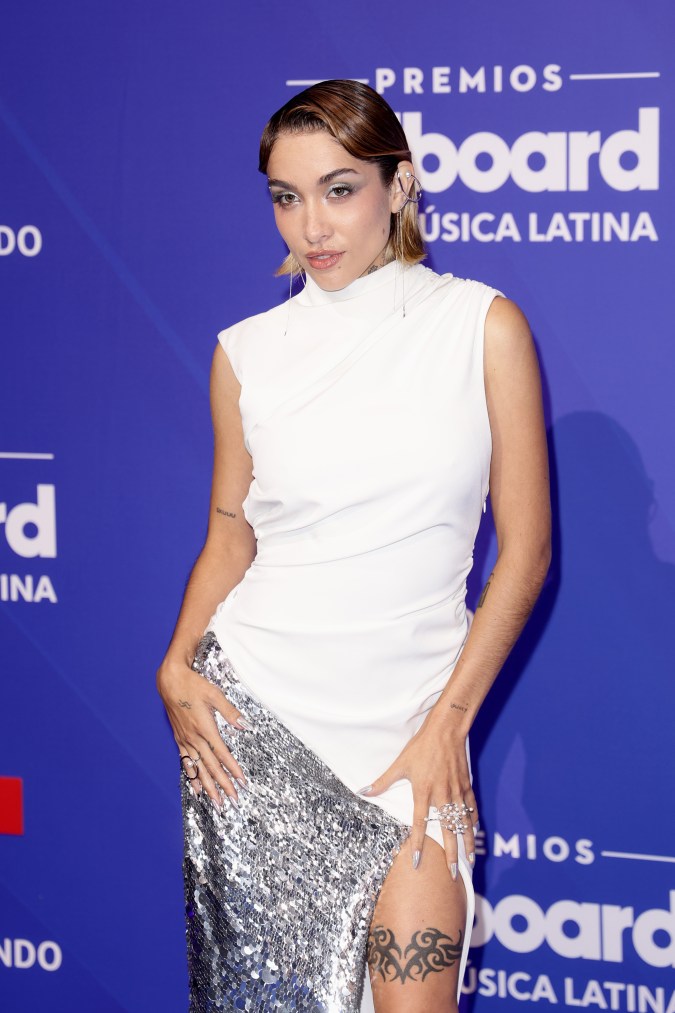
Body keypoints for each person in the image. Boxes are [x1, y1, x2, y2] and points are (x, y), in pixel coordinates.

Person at [156, 79, 551, 1013]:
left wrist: (449, 721)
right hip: (257, 731)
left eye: (339, 189)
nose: (311, 227)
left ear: (398, 185)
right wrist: (175, 662)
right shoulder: (245, 351)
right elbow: (230, 531)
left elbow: (525, 550)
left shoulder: (479, 325)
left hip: (415, 735)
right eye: (286, 198)